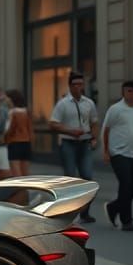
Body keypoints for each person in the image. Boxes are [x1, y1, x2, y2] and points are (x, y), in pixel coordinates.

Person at [49, 71, 99, 222]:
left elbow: (94, 121)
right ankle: (67, 212)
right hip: (68, 143)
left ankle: (85, 212)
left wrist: (94, 138)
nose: (78, 87)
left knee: (87, 177)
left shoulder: (88, 103)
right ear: (70, 86)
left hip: (85, 143)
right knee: (70, 179)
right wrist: (70, 131)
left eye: (80, 84)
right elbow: (53, 123)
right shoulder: (63, 104)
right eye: (75, 84)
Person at [102, 80, 133, 231]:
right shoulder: (116, 109)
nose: (127, 94)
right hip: (118, 153)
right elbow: (106, 130)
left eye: (130, 91)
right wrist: (106, 151)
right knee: (126, 184)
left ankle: (114, 207)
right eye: (125, 91)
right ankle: (127, 221)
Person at [4, 89, 32, 176]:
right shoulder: (27, 111)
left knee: (16, 173)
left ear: (12, 99)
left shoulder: (12, 112)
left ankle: (20, 190)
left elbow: (10, 129)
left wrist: (4, 138)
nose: (5, 100)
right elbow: (30, 129)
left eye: (7, 98)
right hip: (26, 142)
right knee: (25, 172)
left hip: (14, 142)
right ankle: (25, 189)